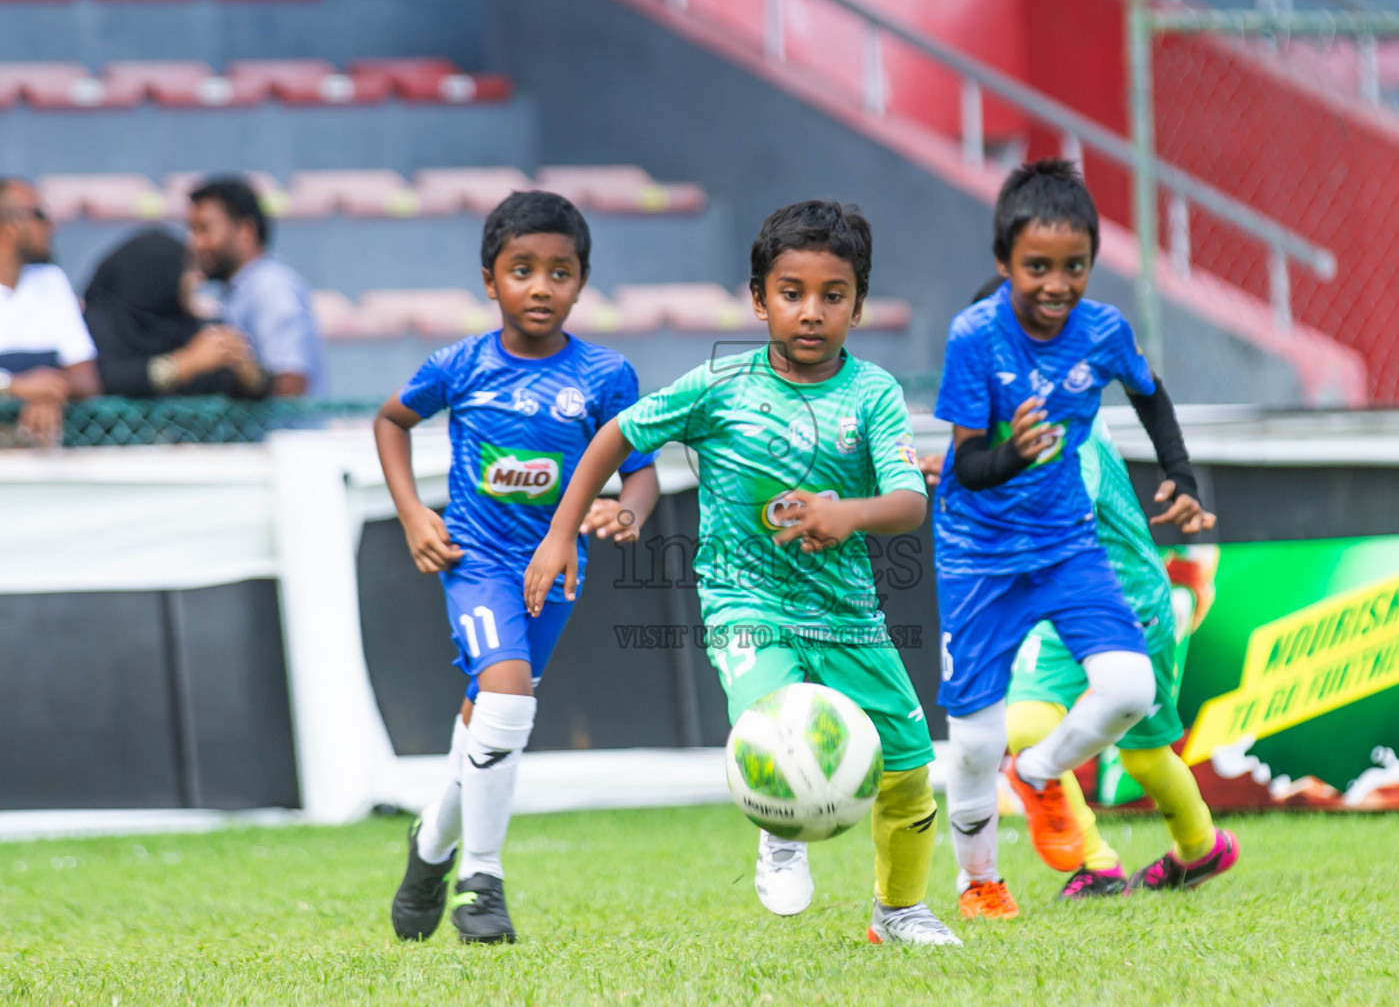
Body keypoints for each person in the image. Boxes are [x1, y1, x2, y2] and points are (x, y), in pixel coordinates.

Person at [525, 200, 962, 947]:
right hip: (744, 601)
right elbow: (615, 435)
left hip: (851, 615)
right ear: (759, 299)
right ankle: (781, 830)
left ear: (858, 304)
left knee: (910, 772)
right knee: (777, 715)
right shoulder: (718, 387)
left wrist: (845, 514)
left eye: (833, 295)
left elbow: (908, 502)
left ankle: (899, 912)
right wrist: (561, 532)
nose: (812, 312)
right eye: (792, 293)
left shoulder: (874, 395)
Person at [930, 160, 1214, 920]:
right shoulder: (972, 338)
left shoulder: (1103, 331)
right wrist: (1015, 453)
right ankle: (978, 880)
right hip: (979, 559)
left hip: (1065, 549)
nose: (1056, 285)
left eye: (1074, 267)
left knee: (1130, 689)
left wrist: (1182, 477)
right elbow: (967, 466)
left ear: (1091, 261)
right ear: (1004, 264)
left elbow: (1150, 395)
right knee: (974, 741)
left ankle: (1043, 773)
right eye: (1036, 269)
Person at [375, 190, 660, 945]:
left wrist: (625, 513)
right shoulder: (459, 366)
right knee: (506, 703)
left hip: (555, 571)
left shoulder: (605, 375)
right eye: (522, 270)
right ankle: (483, 882)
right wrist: (413, 513)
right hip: (475, 562)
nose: (541, 287)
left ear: (582, 282)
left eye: (560, 272)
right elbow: (391, 420)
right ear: (489, 279)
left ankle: (430, 848)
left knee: (487, 718)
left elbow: (641, 473)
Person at [918, 406, 1236, 905]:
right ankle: (1097, 863)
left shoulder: (1069, 422)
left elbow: (1065, 507)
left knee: (1145, 758)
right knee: (1023, 725)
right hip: (1060, 601)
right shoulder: (1014, 416)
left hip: (1129, 604)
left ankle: (1201, 848)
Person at [84, 229, 268, 398]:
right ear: (155, 275)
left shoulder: (183, 327)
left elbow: (225, 384)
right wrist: (184, 364)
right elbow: (106, 379)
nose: (198, 277)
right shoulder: (98, 323)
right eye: (188, 269)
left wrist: (247, 374)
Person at [187, 177, 326, 396]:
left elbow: (292, 383)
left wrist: (251, 377)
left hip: (284, 431)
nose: (195, 243)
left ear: (245, 231)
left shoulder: (270, 287)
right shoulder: (239, 290)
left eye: (204, 229)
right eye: (192, 230)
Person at [0, 177, 100, 446]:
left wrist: (48, 391)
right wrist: (15, 387)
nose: (50, 225)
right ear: (10, 224)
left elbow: (86, 380)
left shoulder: (52, 281)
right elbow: (24, 385)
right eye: (40, 215)